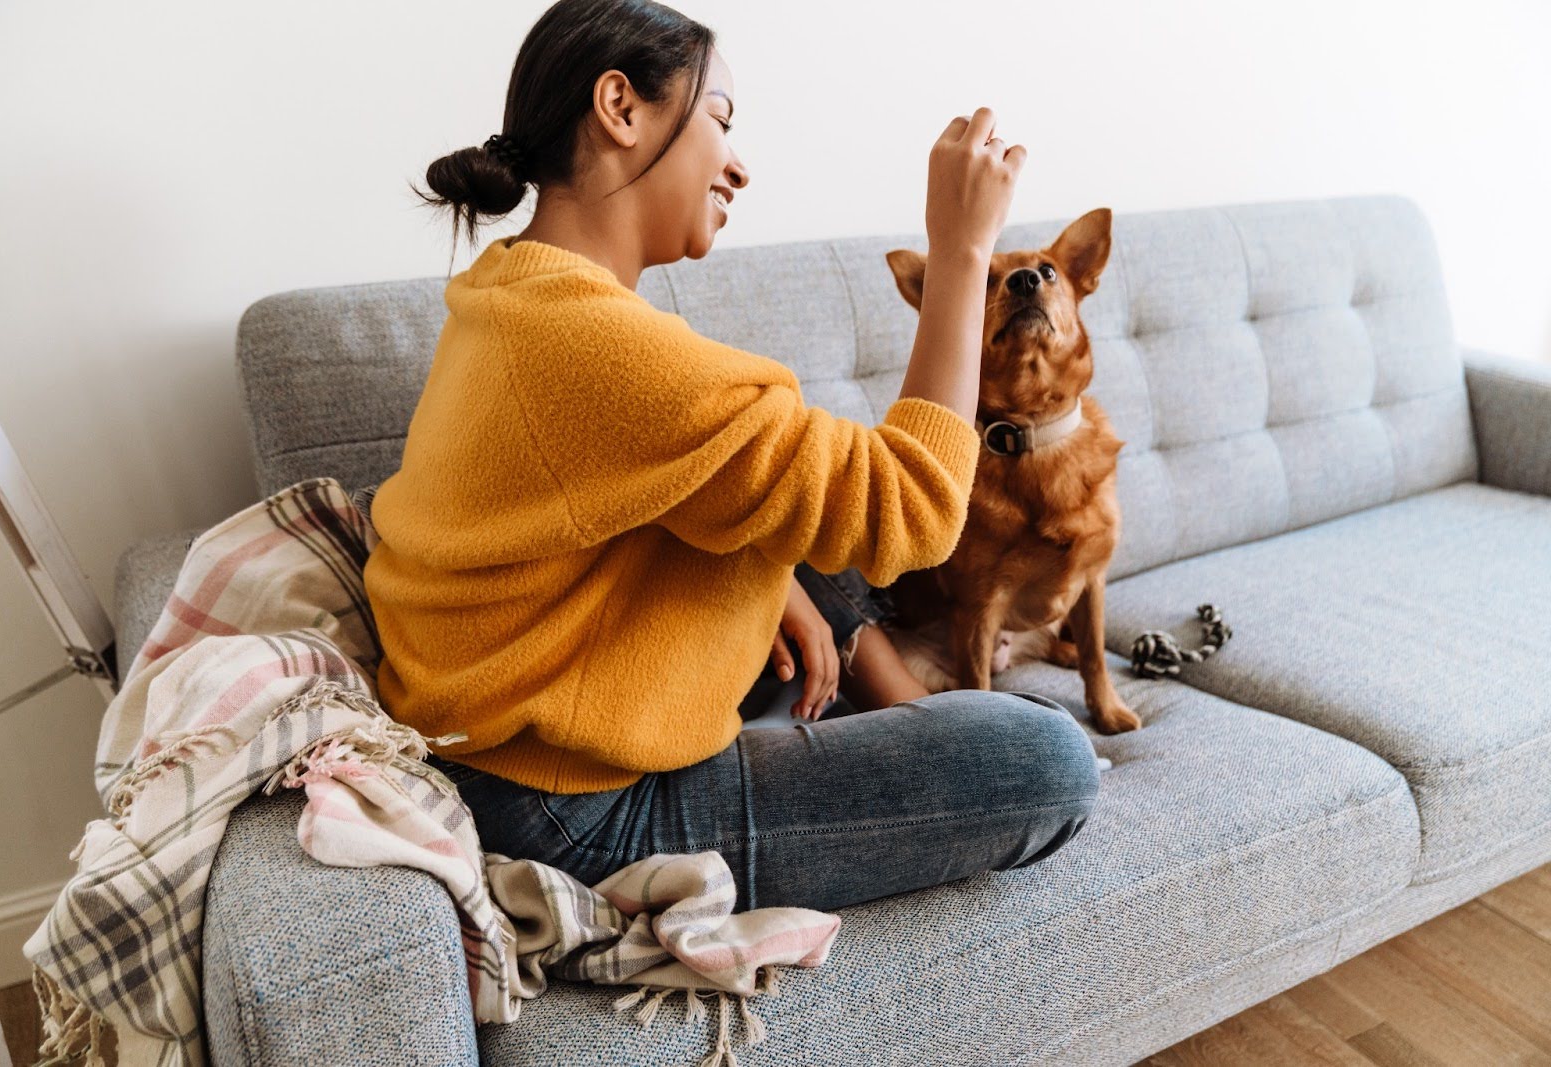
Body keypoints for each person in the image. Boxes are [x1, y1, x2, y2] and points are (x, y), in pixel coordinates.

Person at [363, 0, 1101, 914]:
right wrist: (962, 251)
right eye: (720, 119)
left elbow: (673, 486)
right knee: (1042, 753)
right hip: (568, 808)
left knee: (787, 522)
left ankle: (868, 671)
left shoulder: (508, 297)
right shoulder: (605, 352)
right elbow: (914, 509)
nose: (740, 163)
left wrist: (778, 584)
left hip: (513, 725)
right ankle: (884, 690)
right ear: (621, 108)